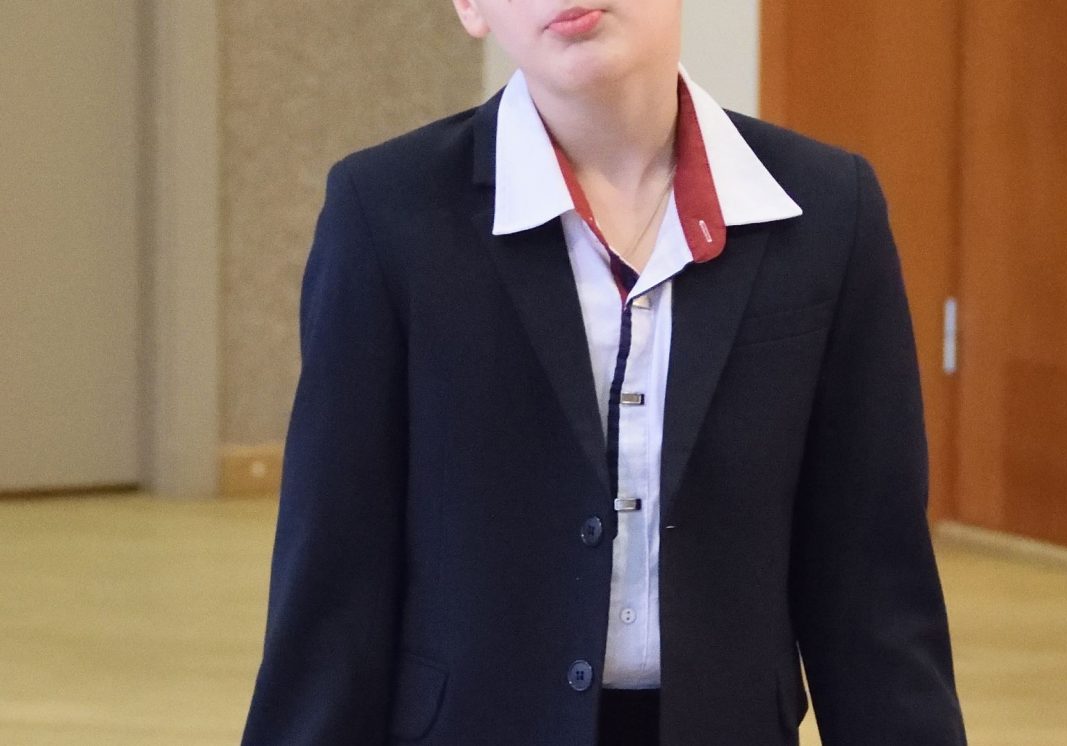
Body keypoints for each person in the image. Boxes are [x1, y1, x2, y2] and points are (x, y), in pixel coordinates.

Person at [241, 1, 968, 744]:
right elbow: (333, 577)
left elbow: (873, 586)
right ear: (470, 6)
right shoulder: (387, 211)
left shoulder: (827, 209)